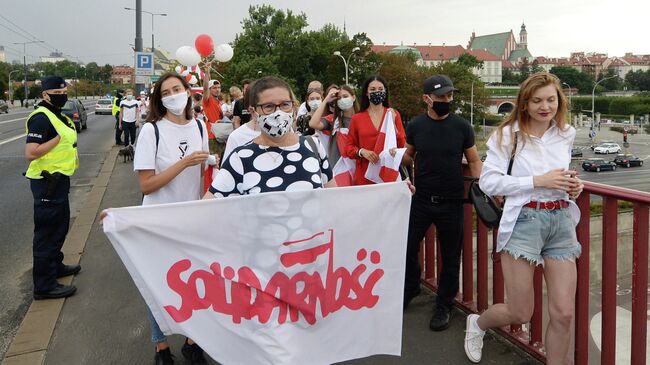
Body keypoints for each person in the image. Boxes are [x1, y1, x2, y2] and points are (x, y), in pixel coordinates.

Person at [463, 72, 583, 364]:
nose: (545, 106)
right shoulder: (508, 136)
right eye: (537, 100)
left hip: (561, 221)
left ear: (559, 100)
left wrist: (574, 186)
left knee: (564, 313)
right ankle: (477, 324)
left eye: (551, 99)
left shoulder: (565, 133)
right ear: (525, 103)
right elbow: (488, 182)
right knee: (521, 312)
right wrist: (537, 180)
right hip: (523, 222)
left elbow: (560, 178)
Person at [133, 72, 211, 365]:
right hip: (158, 220)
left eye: (177, 89)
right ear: (159, 99)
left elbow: (202, 176)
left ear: (188, 91)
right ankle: (161, 346)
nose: (173, 95)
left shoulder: (200, 126)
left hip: (190, 219)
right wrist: (183, 163)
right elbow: (146, 185)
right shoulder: (152, 131)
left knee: (195, 281)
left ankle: (193, 342)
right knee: (157, 284)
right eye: (166, 92)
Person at [402, 75, 483, 333]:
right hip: (421, 200)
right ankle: (411, 285)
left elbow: (474, 160)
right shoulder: (415, 125)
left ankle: (444, 305)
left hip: (452, 202)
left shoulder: (462, 126)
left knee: (450, 257)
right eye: (441, 97)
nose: (447, 100)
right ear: (427, 99)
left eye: (450, 96)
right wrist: (392, 160)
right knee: (406, 246)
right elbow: (407, 156)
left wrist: (481, 188)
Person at [204, 76, 335, 198]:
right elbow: (207, 208)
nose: (278, 112)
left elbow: (333, 198)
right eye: (268, 106)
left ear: (293, 107)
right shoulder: (240, 158)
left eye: (285, 104)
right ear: (254, 112)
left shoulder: (313, 146)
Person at [24, 76, 81, 300]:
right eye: (57, 93)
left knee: (59, 227)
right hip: (47, 182)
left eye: (64, 92)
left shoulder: (57, 115)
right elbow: (30, 152)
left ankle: (55, 266)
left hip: (58, 181)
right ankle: (44, 286)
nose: (62, 96)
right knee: (47, 234)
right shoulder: (41, 118)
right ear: (45, 95)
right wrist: (55, 141)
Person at [345, 75, 406, 186]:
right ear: (366, 93)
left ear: (385, 92)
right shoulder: (357, 118)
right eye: (372, 89)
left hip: (387, 176)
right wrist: (362, 151)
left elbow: (402, 144)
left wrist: (393, 125)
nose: (377, 92)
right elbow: (348, 148)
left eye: (380, 89)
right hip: (364, 177)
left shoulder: (393, 114)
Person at [309, 84, 359, 167]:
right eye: (339, 98)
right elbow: (313, 123)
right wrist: (325, 100)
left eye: (345, 96)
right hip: (337, 170)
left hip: (357, 168)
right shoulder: (334, 120)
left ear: (353, 97)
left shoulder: (362, 119)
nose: (342, 100)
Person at [201, 62, 224, 157]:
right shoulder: (208, 99)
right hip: (211, 135)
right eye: (214, 88)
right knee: (214, 161)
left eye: (219, 87)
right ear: (210, 90)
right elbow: (205, 87)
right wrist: (207, 72)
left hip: (220, 134)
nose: (217, 89)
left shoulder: (217, 100)